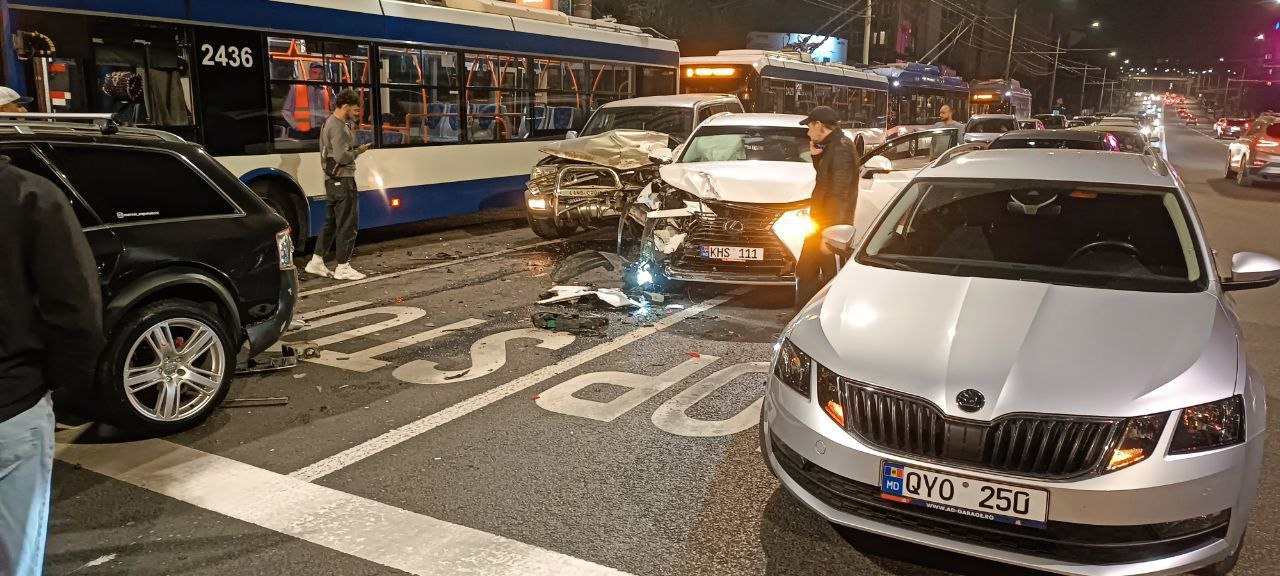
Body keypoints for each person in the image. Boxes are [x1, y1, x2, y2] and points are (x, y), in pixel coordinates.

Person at [0, 155, 104, 575]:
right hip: (11, 405)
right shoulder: (28, 195)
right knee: (15, 560)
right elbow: (77, 316)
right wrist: (51, 387)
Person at [305, 89, 370, 281]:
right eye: (355, 109)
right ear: (346, 106)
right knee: (348, 224)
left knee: (331, 222)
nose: (357, 113)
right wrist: (358, 151)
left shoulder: (328, 122)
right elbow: (342, 157)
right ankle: (343, 266)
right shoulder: (339, 127)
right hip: (344, 180)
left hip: (331, 180)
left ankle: (316, 261)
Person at [796, 106, 857, 310]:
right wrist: (816, 157)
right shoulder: (833, 147)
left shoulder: (841, 149)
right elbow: (826, 179)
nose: (808, 132)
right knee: (806, 271)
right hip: (821, 225)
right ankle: (802, 316)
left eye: (809, 127)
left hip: (830, 228)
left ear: (818, 125)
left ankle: (824, 318)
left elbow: (839, 193)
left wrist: (829, 235)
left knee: (830, 277)